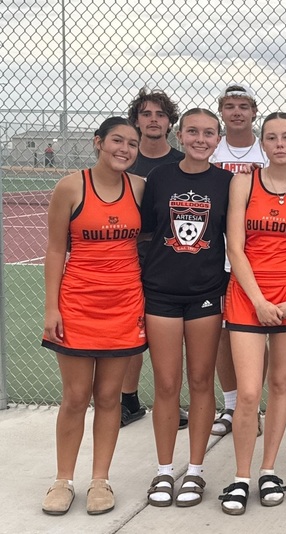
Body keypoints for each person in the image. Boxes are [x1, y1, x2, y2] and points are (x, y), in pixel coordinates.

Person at [218, 112, 286, 514]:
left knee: (280, 385)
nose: (279, 144)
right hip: (249, 295)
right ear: (263, 143)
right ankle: (240, 477)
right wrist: (258, 300)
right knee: (248, 392)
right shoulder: (243, 182)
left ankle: (268, 469)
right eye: (272, 137)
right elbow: (235, 248)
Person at [41, 117, 146, 515]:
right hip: (78, 305)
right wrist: (52, 307)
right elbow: (55, 250)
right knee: (74, 397)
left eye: (132, 143)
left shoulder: (140, 188)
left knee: (108, 398)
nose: (124, 149)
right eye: (117, 140)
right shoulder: (71, 186)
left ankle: (100, 479)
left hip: (124, 306)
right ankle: (62, 480)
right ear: (98, 142)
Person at [141, 109, 232, 508]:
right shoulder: (160, 178)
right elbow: (145, 234)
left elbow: (237, 242)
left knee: (200, 381)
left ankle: (195, 470)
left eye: (208, 133)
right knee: (166, 384)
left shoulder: (227, 183)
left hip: (206, 294)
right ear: (180, 134)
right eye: (192, 131)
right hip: (160, 294)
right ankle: (164, 470)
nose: (200, 138)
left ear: (218, 138)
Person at [121, 87, 184, 428]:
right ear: (137, 121)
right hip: (130, 257)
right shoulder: (126, 159)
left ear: (170, 122)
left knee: (171, 334)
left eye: (160, 114)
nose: (154, 120)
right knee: (133, 329)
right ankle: (127, 400)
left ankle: (171, 402)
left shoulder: (179, 162)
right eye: (147, 114)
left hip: (171, 258)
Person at [210, 83, 269, 438]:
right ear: (222, 112)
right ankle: (231, 405)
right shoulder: (212, 154)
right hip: (216, 257)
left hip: (256, 260)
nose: (236, 112)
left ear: (253, 112)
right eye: (229, 106)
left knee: (254, 336)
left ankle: (252, 406)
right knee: (220, 333)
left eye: (243, 106)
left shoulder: (265, 155)